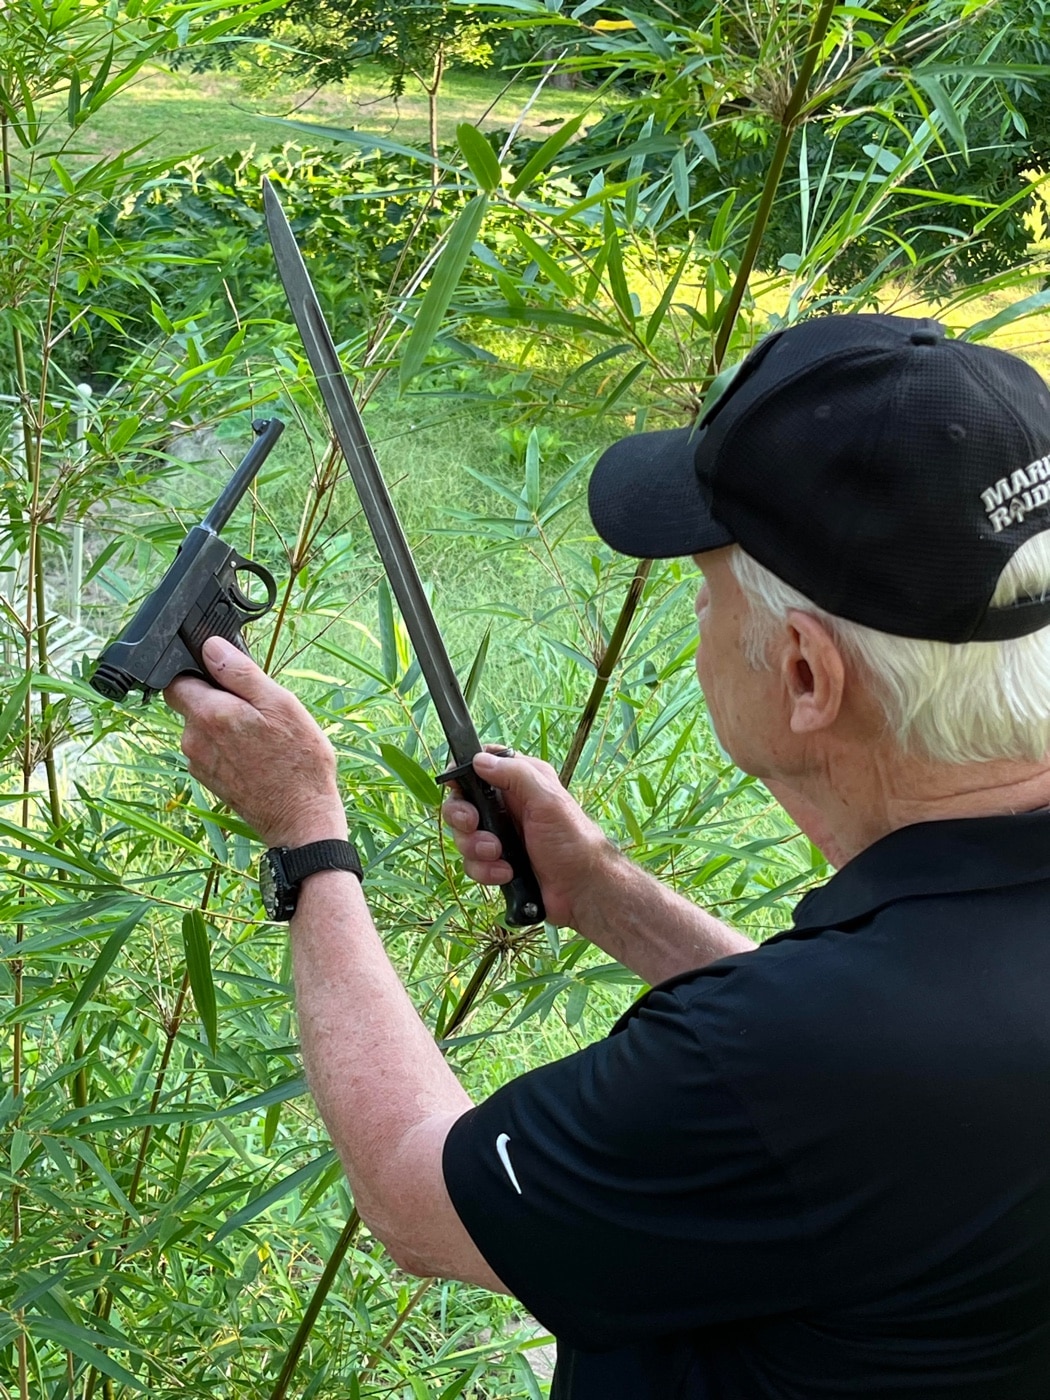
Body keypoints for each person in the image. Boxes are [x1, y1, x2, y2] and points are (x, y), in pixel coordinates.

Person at [166, 313, 1050, 1399]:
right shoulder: (910, 1006)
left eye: (713, 584)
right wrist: (604, 893)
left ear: (807, 674)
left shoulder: (782, 1056)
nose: (697, 605)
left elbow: (416, 1195)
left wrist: (306, 830)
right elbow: (876, 1085)